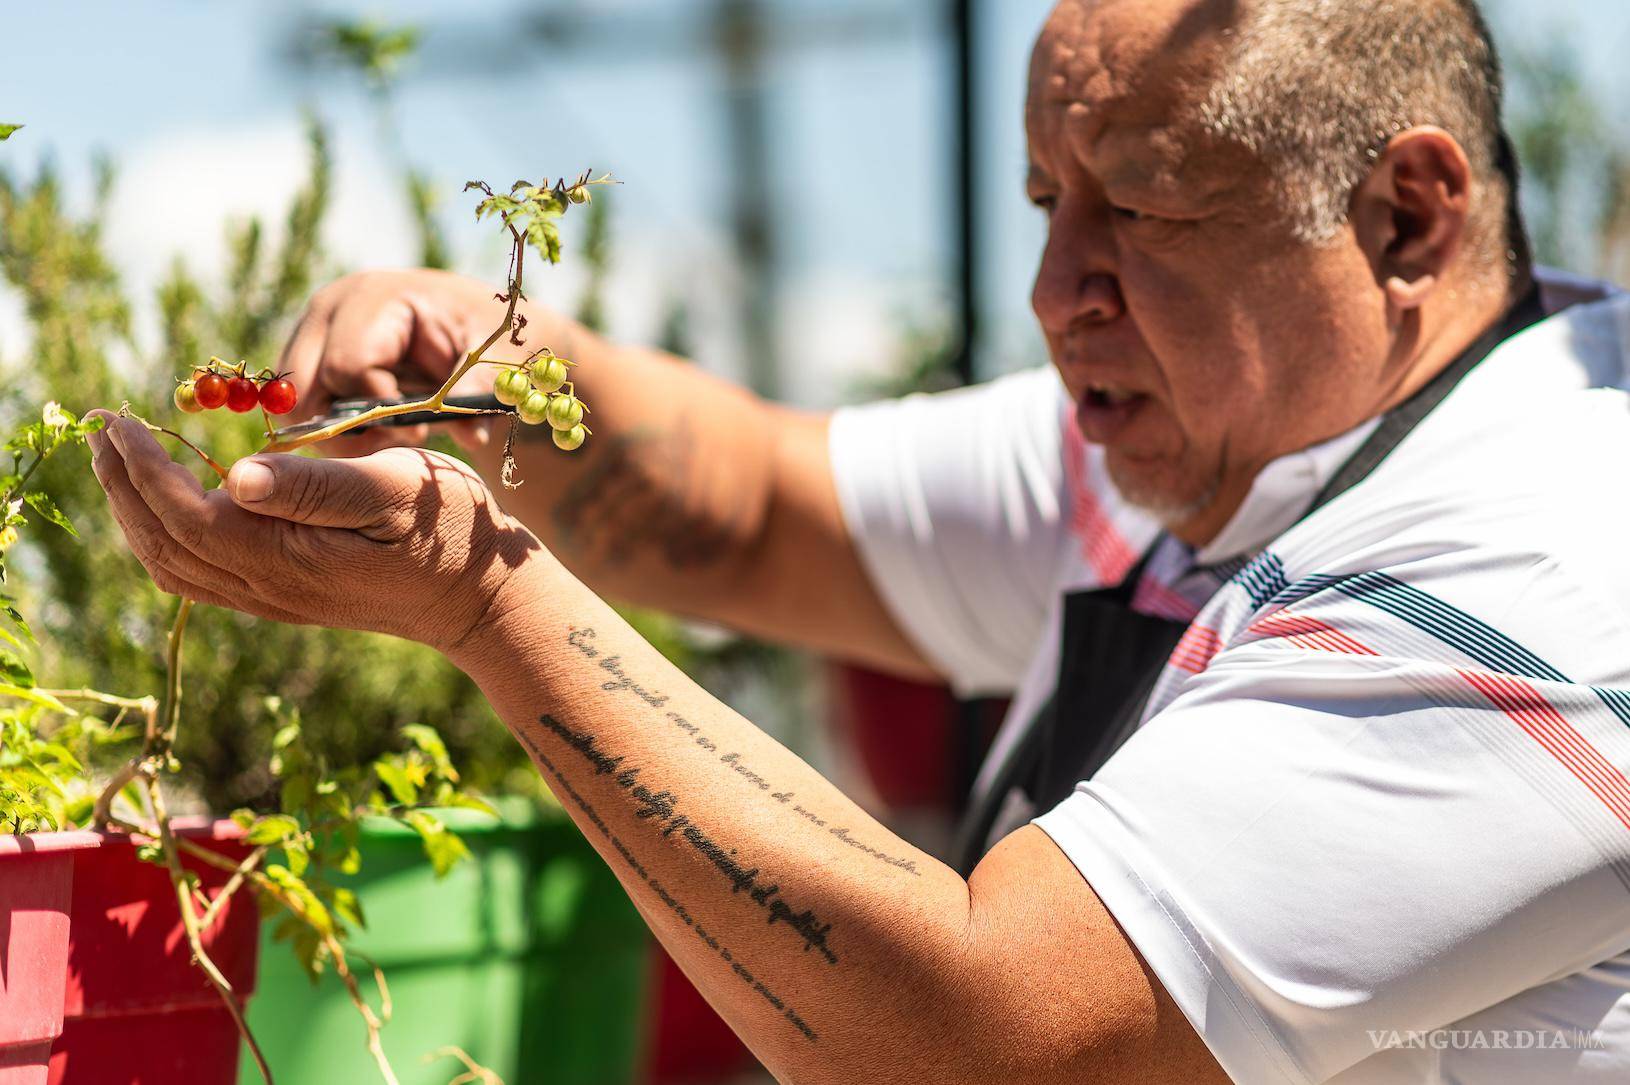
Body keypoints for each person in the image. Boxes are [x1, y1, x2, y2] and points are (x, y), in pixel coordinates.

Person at [88, 0, 1630, 1080]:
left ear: (1405, 219)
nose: (1054, 289)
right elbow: (761, 504)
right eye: (1042, 199)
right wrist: (483, 367)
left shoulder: (1543, 567)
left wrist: (486, 604)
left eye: (1142, 214)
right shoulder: (1225, 435)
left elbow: (980, 1038)